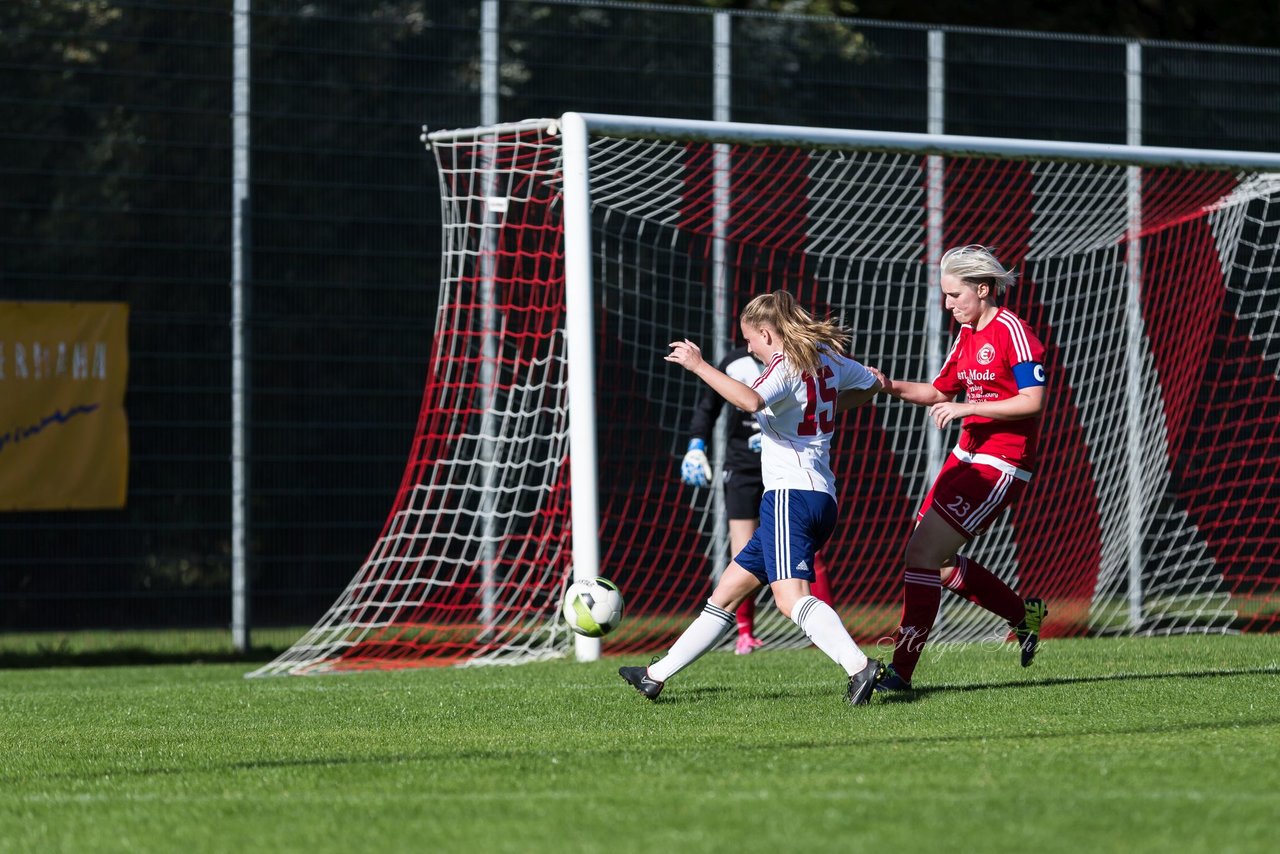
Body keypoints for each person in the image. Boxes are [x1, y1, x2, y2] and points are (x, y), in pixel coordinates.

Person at [620, 290, 885, 705]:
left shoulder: (785, 362)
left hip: (790, 496)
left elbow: (749, 399)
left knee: (789, 598)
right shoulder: (826, 356)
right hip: (821, 497)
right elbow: (873, 385)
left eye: (750, 339)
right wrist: (826, 410)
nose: (748, 348)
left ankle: (859, 667)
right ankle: (655, 675)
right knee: (726, 592)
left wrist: (699, 365)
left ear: (766, 332)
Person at [866, 245, 1048, 693]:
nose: (948, 306)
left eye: (954, 295)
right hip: (965, 453)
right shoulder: (966, 335)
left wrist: (967, 406)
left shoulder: (1013, 331)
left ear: (983, 289)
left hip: (1001, 461)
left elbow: (1033, 401)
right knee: (939, 563)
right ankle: (1023, 615)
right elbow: (936, 391)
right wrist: (886, 385)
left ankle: (901, 673)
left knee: (921, 556)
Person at [679, 345, 836, 655]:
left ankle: (826, 635)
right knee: (742, 554)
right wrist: (696, 445)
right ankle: (745, 633)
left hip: (788, 474)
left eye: (753, 337)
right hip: (742, 470)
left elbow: (755, 401)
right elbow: (708, 407)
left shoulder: (796, 363)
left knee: (806, 557)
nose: (750, 345)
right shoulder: (734, 362)